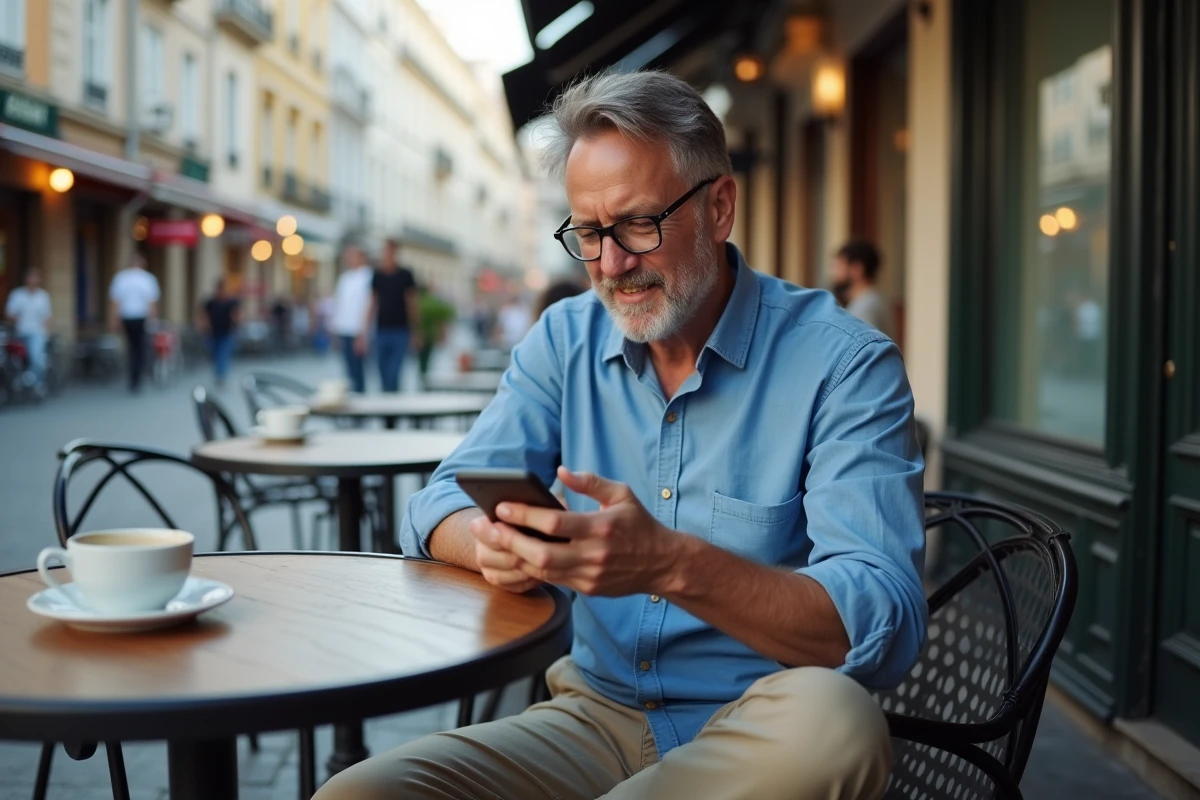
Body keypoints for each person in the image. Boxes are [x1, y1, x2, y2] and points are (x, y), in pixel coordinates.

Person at [317, 71, 925, 800]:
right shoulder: (566, 339)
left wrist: (671, 565)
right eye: (590, 233)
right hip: (589, 720)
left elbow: (882, 622)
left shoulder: (844, 364)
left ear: (720, 207)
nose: (610, 265)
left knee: (840, 719)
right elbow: (439, 501)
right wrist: (497, 544)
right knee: (356, 794)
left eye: (639, 224)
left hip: (763, 726)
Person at [357, 239, 419, 392]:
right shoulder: (377, 275)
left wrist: (416, 331)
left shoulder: (405, 275)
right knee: (382, 372)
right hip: (381, 330)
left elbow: (412, 303)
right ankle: (388, 411)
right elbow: (372, 304)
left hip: (401, 330)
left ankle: (393, 409)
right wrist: (363, 332)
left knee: (394, 373)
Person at [108, 252, 160, 393]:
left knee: (132, 347)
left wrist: (114, 319)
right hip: (140, 317)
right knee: (139, 348)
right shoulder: (148, 279)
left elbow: (115, 301)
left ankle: (133, 377)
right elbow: (151, 302)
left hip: (127, 316)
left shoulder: (121, 277)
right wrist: (153, 319)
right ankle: (137, 378)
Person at [830, 238, 896, 341]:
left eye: (839, 267)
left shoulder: (866, 308)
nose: (834, 275)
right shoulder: (868, 301)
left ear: (857, 269)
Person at [331, 242, 372, 393]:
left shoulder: (368, 277)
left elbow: (367, 306)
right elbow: (340, 305)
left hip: (358, 331)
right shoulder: (345, 278)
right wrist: (335, 328)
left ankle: (360, 399)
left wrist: (363, 333)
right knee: (348, 369)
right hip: (344, 329)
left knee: (358, 369)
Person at [4, 267, 52, 393]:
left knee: (36, 358)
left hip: (36, 333)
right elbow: (9, 314)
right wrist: (15, 317)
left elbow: (47, 317)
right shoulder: (17, 294)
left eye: (35, 277)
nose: (32, 280)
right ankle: (20, 381)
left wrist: (46, 333)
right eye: (30, 277)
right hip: (20, 332)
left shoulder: (43, 296)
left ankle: (34, 383)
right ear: (25, 279)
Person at [197, 278, 240, 388]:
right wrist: (203, 326)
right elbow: (203, 315)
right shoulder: (210, 302)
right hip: (213, 333)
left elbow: (236, 315)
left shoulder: (231, 302)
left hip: (227, 332)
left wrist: (237, 322)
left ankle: (220, 375)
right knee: (215, 355)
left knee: (223, 354)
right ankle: (218, 373)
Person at [416, 283, 455, 382]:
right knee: (427, 359)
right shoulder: (433, 302)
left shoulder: (418, 303)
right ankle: (424, 378)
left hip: (421, 336)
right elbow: (446, 315)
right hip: (430, 336)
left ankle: (422, 378)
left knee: (421, 360)